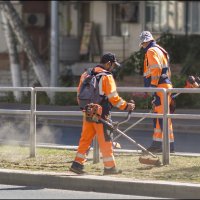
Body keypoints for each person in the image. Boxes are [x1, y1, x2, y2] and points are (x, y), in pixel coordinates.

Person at [69, 52, 135, 175]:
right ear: (108, 64)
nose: (113, 68)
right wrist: (126, 106)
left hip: (88, 111)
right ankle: (110, 168)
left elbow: (79, 94)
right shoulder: (106, 77)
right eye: (113, 65)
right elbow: (114, 98)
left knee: (85, 139)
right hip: (102, 113)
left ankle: (77, 164)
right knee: (106, 140)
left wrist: (85, 108)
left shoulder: (86, 74)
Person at [139, 31, 175, 153]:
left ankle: (163, 146)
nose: (143, 46)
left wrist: (153, 87)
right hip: (165, 85)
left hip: (159, 86)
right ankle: (162, 145)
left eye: (143, 44)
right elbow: (166, 70)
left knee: (161, 117)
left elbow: (156, 69)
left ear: (145, 42)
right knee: (162, 116)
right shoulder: (160, 50)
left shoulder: (151, 51)